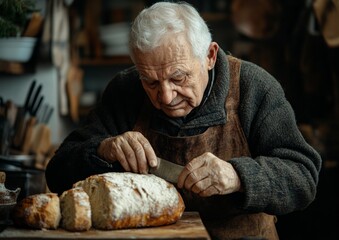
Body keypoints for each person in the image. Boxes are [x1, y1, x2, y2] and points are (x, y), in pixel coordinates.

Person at [45, 1, 322, 239]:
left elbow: (303, 176)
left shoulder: (254, 88)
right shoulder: (125, 90)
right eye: (150, 81)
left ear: (210, 56)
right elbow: (57, 172)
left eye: (178, 78)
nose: (165, 96)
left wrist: (238, 176)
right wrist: (102, 150)